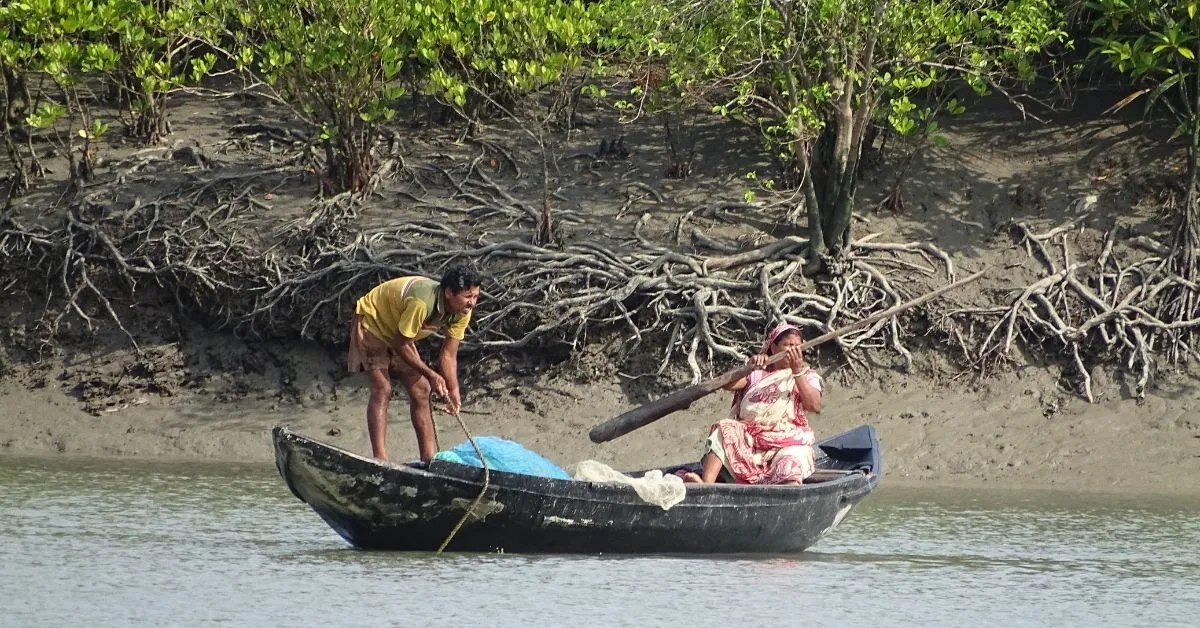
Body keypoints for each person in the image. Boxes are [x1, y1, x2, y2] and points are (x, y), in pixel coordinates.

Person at [346, 265, 482, 463]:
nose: (472, 303)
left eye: (476, 296)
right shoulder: (421, 302)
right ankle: (380, 459)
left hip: (400, 332)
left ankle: (429, 460)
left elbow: (448, 354)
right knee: (382, 388)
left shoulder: (462, 312)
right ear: (449, 293)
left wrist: (453, 391)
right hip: (373, 322)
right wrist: (431, 374)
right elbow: (399, 343)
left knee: (422, 390)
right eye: (467, 296)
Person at [681, 323, 823, 485]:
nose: (793, 350)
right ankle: (706, 486)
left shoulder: (808, 376)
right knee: (724, 428)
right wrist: (748, 368)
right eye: (788, 345)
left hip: (788, 442)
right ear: (774, 348)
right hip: (750, 440)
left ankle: (787, 499)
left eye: (797, 346)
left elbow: (814, 405)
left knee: (789, 465)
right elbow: (726, 384)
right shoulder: (757, 374)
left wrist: (797, 372)